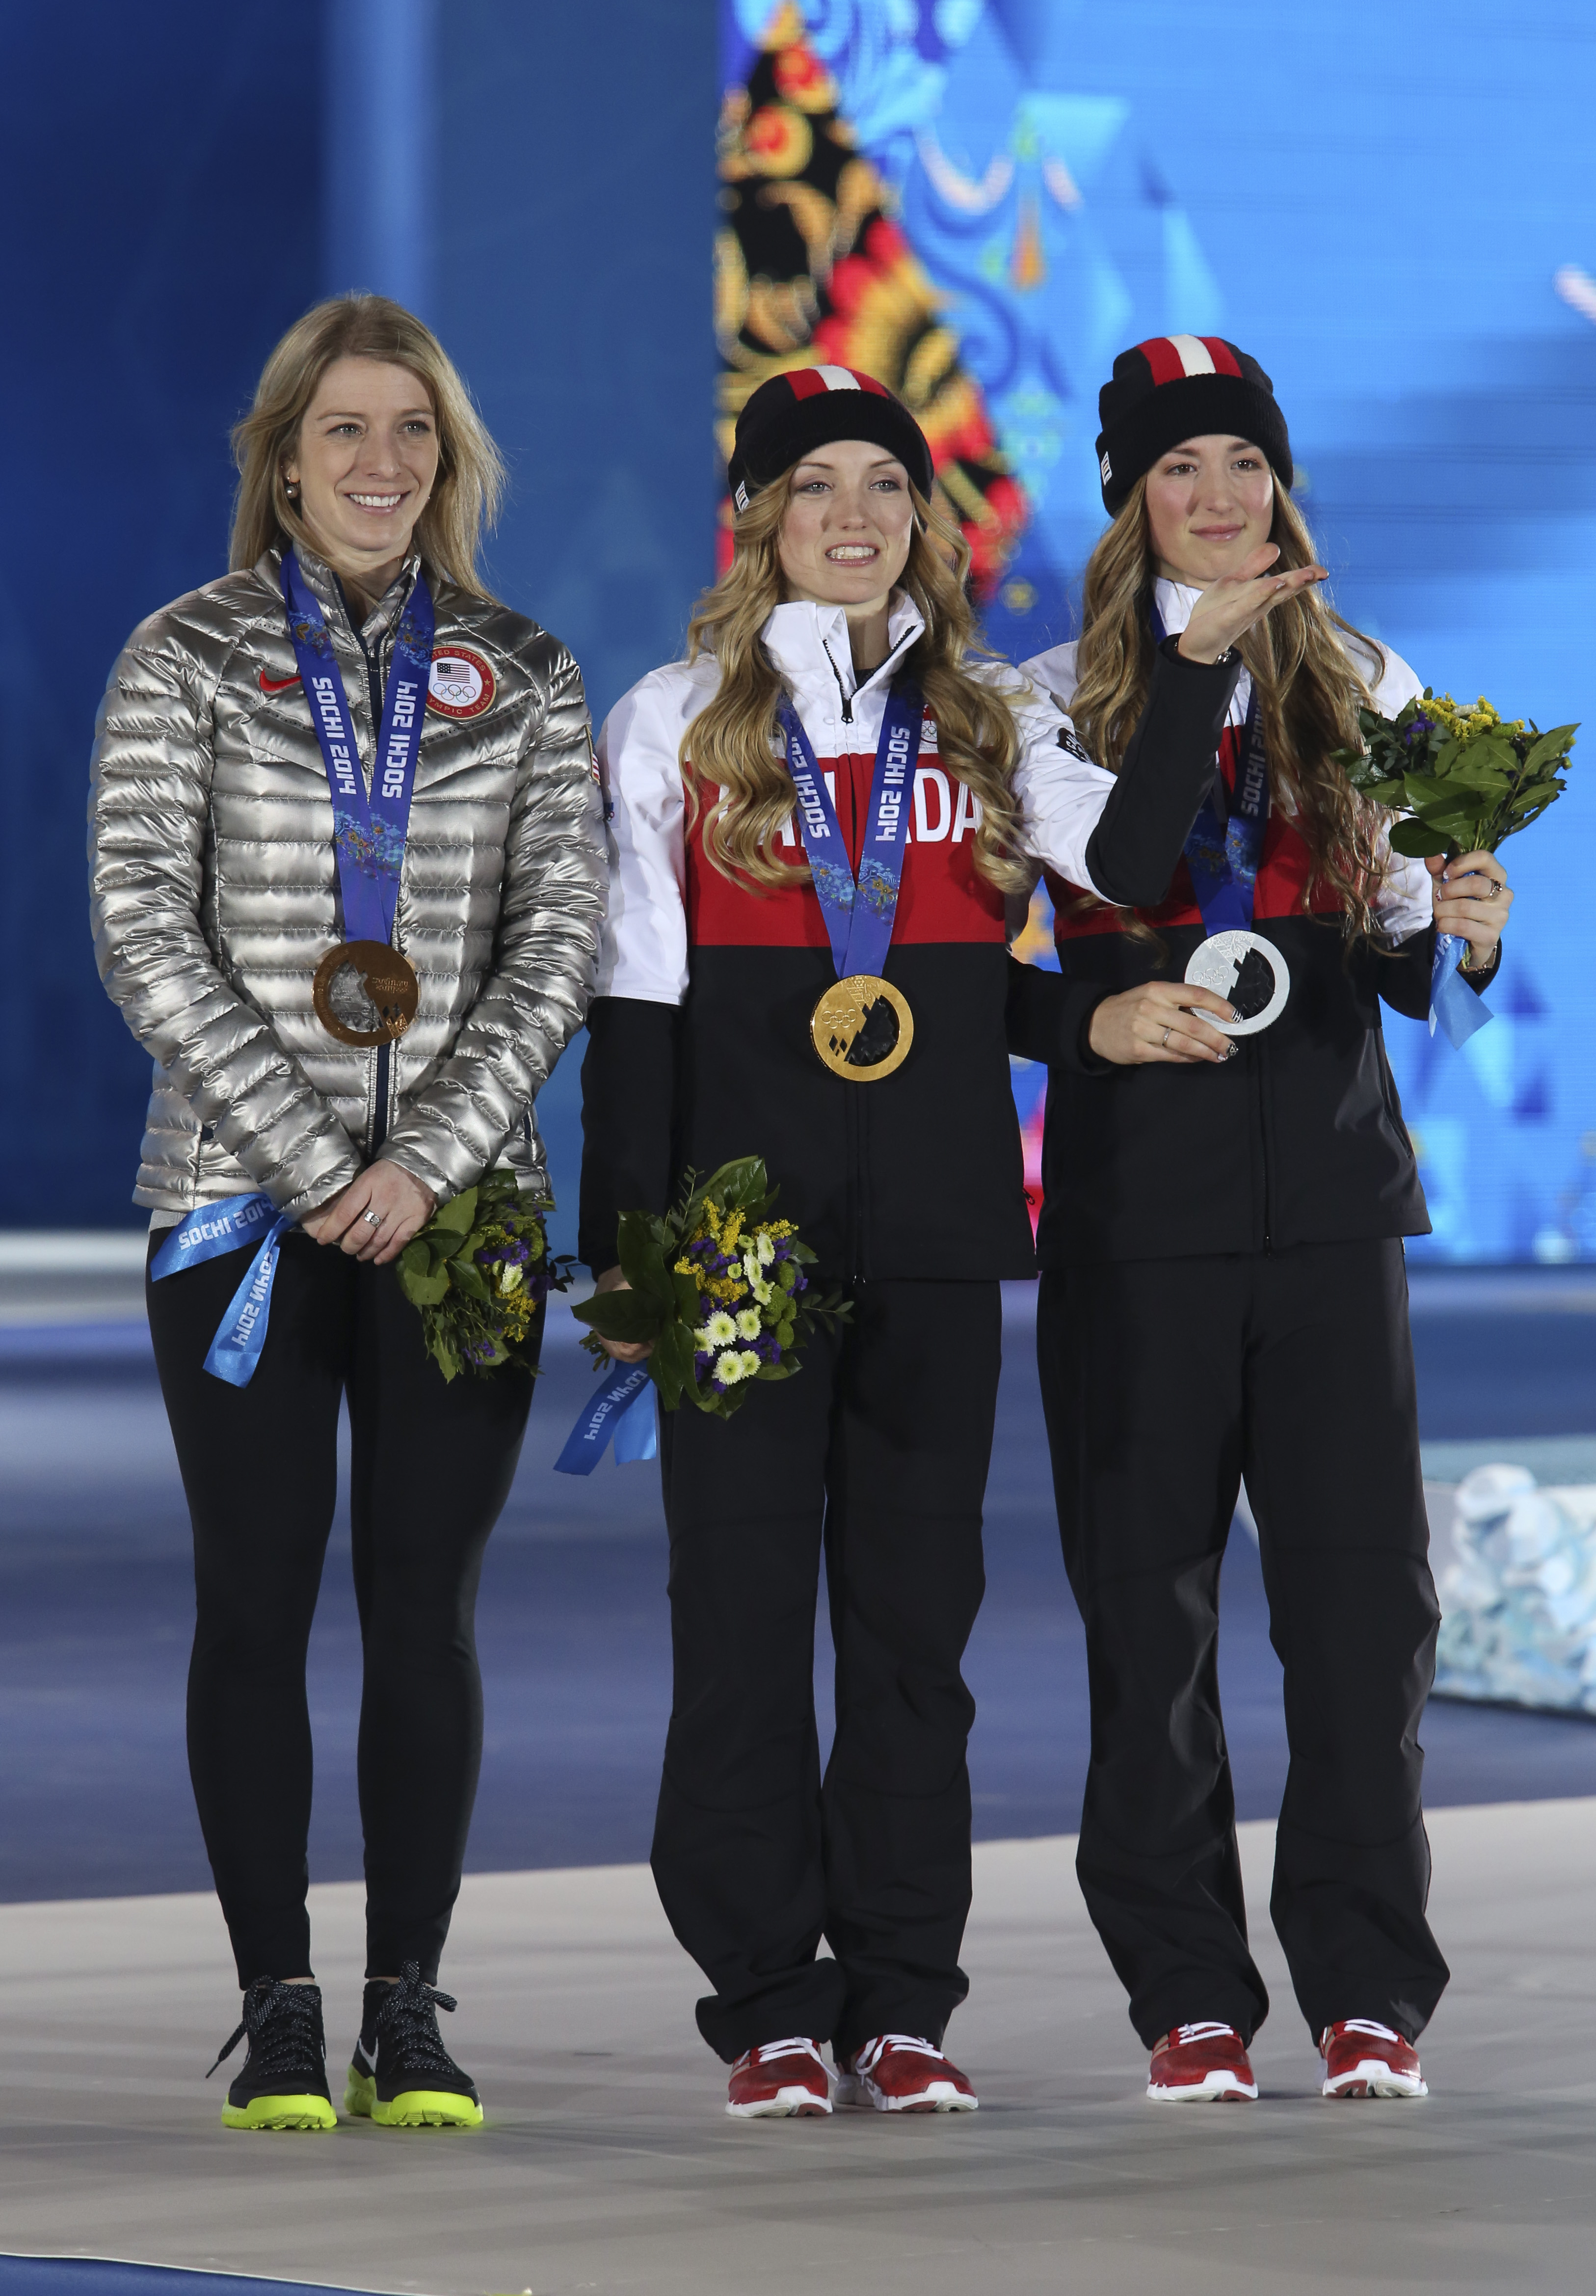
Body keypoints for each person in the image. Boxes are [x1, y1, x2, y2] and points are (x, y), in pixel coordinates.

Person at [88, 294, 606, 2131]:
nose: (378, 465)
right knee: (253, 1598)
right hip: (235, 1209)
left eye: (410, 433)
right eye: (341, 433)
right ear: (282, 459)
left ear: (449, 460)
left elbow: (560, 941)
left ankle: (410, 2001)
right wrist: (318, 1168)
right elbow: (143, 923)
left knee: (425, 1611)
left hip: (456, 1220)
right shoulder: (185, 655)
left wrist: (428, 1161)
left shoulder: (529, 674)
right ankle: (278, 2004)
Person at [578, 366, 1101, 2118]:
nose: (854, 515)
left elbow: (1068, 941)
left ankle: (901, 2000)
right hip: (738, 1246)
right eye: (816, 488)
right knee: (734, 1625)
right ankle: (770, 2001)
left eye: (885, 483)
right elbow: (637, 1003)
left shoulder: (990, 726)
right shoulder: (677, 721)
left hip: (942, 1240)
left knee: (911, 1637)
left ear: (922, 522)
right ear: (757, 519)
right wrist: (629, 1255)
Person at [1019, 334, 1513, 2104]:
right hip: (1135, 1213)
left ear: (1281, 487)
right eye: (1179, 472)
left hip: (1325, 1203)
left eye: (1242, 465)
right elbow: (1139, 871)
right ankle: (1187, 1997)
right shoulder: (1037, 702)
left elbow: (1389, 958)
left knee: (1360, 1613)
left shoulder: (1368, 679)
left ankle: (1370, 1987)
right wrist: (1190, 669)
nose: (1218, 498)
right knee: (1146, 1616)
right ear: (1128, 503)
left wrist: (1457, 929)